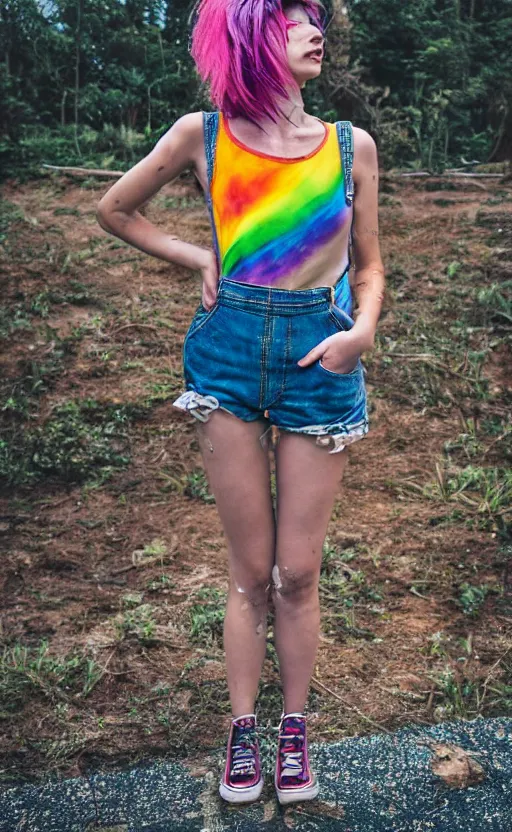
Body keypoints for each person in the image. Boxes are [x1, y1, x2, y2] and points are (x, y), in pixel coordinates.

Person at [97, 0, 385, 807]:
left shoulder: (350, 148)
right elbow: (115, 208)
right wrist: (197, 253)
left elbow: (369, 266)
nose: (315, 29)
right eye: (294, 19)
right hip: (226, 358)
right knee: (250, 572)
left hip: (319, 362)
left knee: (298, 573)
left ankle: (294, 731)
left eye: (316, 17)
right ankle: (241, 729)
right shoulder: (206, 135)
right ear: (252, 36)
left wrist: (362, 330)